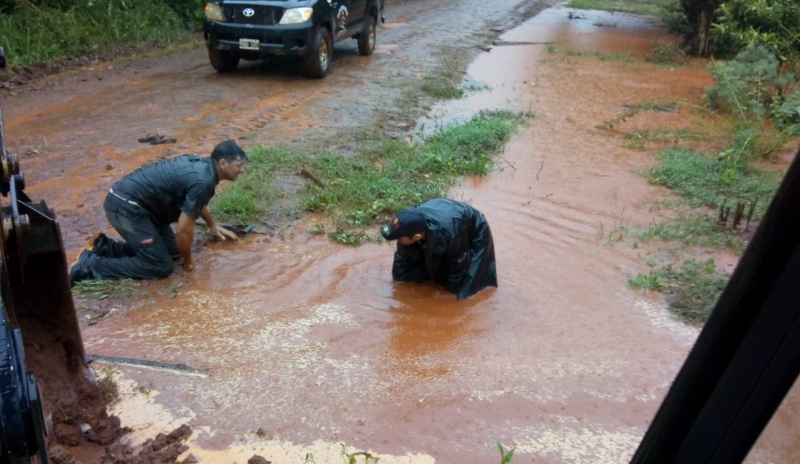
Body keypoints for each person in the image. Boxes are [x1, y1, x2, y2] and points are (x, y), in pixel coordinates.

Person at [68, 140, 247, 286]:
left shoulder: (204, 169)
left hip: (144, 207)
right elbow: (183, 231)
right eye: (238, 165)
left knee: (175, 251)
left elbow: (196, 204)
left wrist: (212, 225)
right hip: (126, 208)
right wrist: (190, 263)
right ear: (223, 164)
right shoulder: (203, 181)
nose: (241, 170)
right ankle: (89, 267)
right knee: (160, 266)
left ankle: (104, 247)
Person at [379, 198, 497, 299]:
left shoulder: (450, 233)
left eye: (399, 238)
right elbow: (402, 257)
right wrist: (399, 284)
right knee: (418, 266)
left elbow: (458, 264)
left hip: (473, 229)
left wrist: (447, 295)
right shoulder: (408, 221)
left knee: (467, 286)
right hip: (443, 220)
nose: (398, 241)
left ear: (416, 237)